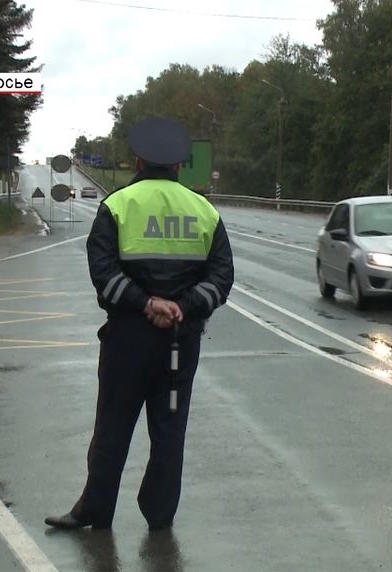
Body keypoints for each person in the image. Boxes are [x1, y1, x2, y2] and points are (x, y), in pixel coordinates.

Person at [45, 116, 235, 531]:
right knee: (169, 428)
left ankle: (94, 510)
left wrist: (145, 302)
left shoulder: (117, 205)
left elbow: (104, 273)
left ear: (136, 161)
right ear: (179, 166)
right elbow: (221, 279)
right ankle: (159, 516)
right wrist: (182, 307)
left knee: (113, 426)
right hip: (178, 345)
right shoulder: (203, 210)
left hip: (128, 342)